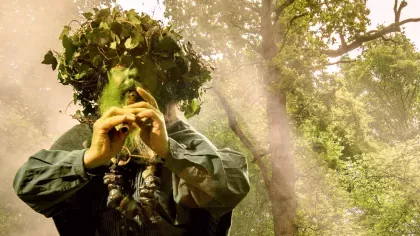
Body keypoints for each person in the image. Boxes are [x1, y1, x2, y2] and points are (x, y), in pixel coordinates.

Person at [12, 7, 250, 236]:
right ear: (104, 80)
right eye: (119, 66)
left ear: (163, 79)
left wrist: (169, 150)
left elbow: (232, 186)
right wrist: (90, 158)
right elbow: (28, 184)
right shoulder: (86, 135)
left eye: (142, 64)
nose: (132, 74)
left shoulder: (181, 136)